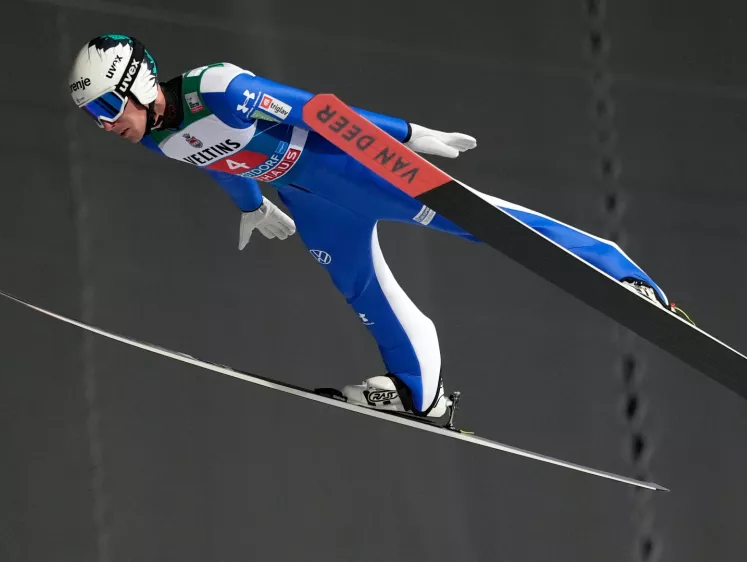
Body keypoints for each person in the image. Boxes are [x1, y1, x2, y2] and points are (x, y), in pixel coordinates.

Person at [68, 34, 687, 419]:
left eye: (104, 106)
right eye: (90, 115)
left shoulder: (220, 89)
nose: (103, 123)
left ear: (140, 84)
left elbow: (321, 112)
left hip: (354, 170)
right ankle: (424, 396)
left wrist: (412, 137)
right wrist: (252, 206)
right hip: (311, 202)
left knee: (493, 225)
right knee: (362, 291)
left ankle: (627, 281)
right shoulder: (155, 139)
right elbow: (216, 161)